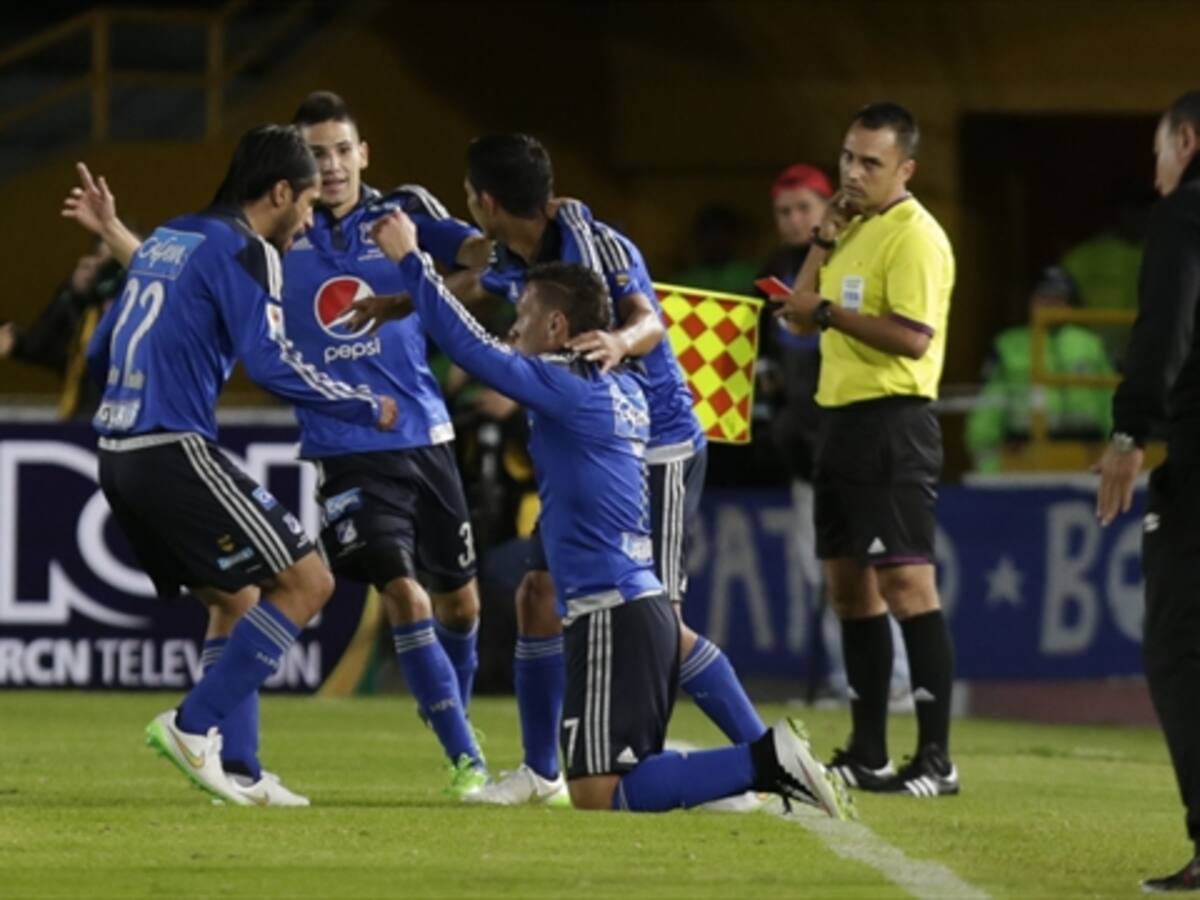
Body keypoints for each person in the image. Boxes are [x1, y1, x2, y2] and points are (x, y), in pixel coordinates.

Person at [370, 207, 851, 818]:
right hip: (635, 604)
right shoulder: (620, 385)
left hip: (608, 613)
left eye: (520, 322)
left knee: (598, 794)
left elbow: (467, 344)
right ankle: (748, 767)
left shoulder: (565, 384)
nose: (512, 335)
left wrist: (412, 261)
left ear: (557, 324)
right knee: (611, 777)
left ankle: (764, 761)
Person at [67, 126, 397, 807]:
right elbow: (271, 362)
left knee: (238, 598)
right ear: (279, 192)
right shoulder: (252, 252)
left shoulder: (171, 236)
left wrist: (114, 230)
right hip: (171, 447)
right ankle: (192, 726)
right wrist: (361, 403)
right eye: (306, 201)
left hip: (118, 452)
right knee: (310, 583)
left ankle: (240, 771)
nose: (309, 218)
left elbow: (105, 350)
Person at [286, 91, 489, 796]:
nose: (333, 166)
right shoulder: (280, 231)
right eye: (317, 154)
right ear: (297, 162)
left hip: (424, 434)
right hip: (345, 443)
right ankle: (467, 761)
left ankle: (454, 722)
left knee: (463, 606)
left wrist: (415, 291)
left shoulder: (399, 211)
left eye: (343, 150)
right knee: (406, 593)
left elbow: (482, 258)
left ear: (363, 153)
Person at [780, 102, 958, 797]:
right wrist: (822, 242)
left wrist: (825, 313)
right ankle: (869, 751)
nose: (852, 173)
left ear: (905, 168)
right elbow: (798, 317)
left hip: (893, 423)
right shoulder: (851, 228)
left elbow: (914, 336)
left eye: (870, 163)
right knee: (849, 592)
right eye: (847, 158)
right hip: (841, 423)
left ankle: (938, 759)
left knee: (908, 585)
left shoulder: (915, 236)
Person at [1095, 89, 1200, 892]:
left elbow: (1163, 327)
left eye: (1159, 152)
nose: (1156, 172)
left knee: (1181, 651)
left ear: (1188, 143)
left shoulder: (1186, 214)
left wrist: (1132, 433)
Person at [967, 266, 1114, 473]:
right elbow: (988, 407)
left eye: (1059, 298)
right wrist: (990, 466)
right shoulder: (1008, 345)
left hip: (1088, 456)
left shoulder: (1090, 344)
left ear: (1071, 304)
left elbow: (1110, 402)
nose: (1050, 304)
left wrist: (1117, 449)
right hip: (1025, 458)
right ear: (1030, 301)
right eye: (1043, 297)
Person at [0, 240, 125, 419]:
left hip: (131, 422)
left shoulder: (155, 313)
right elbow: (50, 352)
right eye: (104, 261)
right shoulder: (86, 313)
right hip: (82, 420)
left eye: (121, 259)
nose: (113, 272)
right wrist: (71, 293)